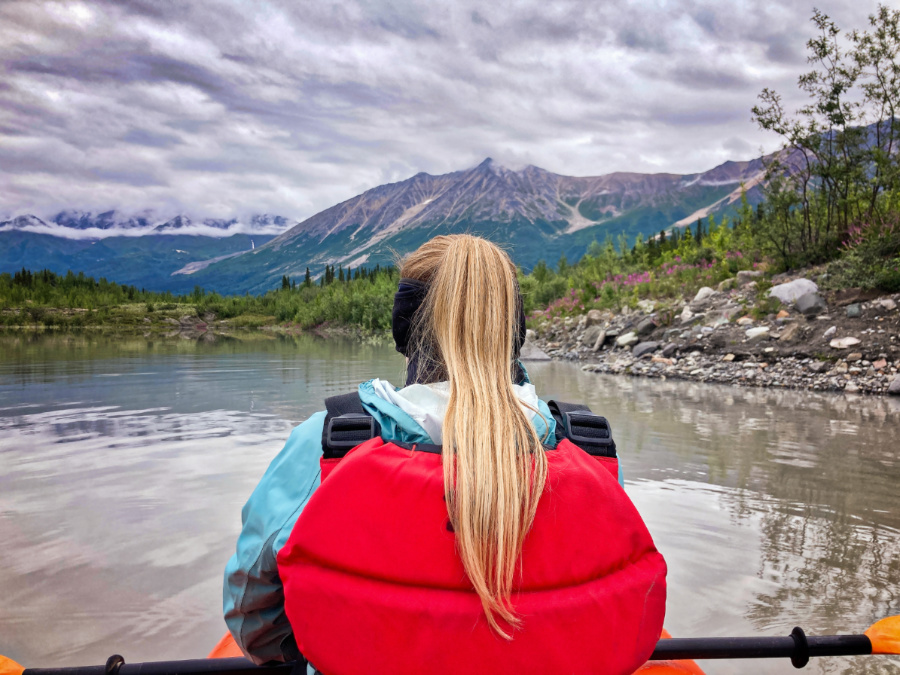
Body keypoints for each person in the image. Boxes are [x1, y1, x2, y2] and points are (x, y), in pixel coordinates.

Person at [224, 235, 666, 674]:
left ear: (404, 326)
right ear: (515, 332)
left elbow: (253, 610)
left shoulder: (327, 443)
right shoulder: (589, 447)